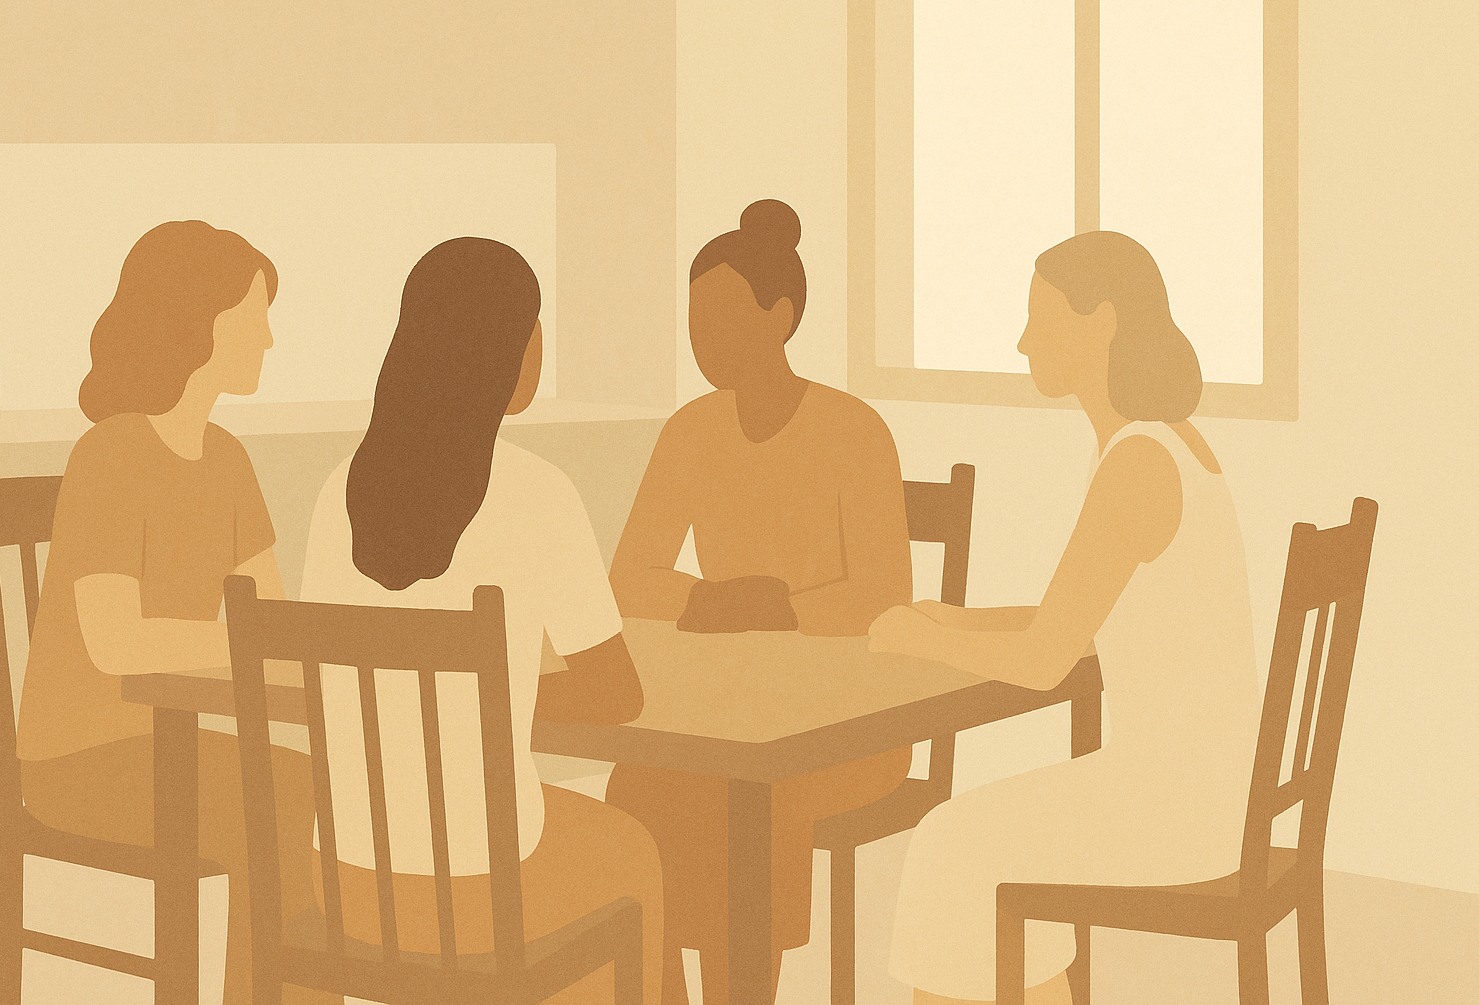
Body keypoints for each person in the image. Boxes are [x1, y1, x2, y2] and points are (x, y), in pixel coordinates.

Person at [875, 231, 1260, 1005]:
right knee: (980, 839)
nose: (1021, 341)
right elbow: (1084, 618)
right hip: (1200, 792)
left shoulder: (1138, 464)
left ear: (1102, 322)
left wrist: (920, 639)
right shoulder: (1161, 446)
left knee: (952, 840)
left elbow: (1047, 660)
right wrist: (961, 619)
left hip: (1177, 809)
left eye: (1038, 318)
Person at [298, 236, 665, 1004]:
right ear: (510, 349)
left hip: (345, 882)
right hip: (475, 894)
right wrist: (494, 703)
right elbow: (616, 694)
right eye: (534, 326)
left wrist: (460, 709)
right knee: (633, 855)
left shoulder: (337, 492)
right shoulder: (537, 493)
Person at [606, 200, 915, 1004]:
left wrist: (777, 607)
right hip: (721, 710)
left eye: (721, 315)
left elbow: (883, 598)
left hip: (844, 724)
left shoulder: (854, 430)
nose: (702, 336)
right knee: (639, 785)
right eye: (693, 318)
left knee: (750, 799)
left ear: (778, 317)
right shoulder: (691, 431)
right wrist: (703, 599)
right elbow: (628, 578)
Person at [17, 220, 334, 1004]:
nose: (268, 336)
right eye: (255, 313)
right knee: (275, 802)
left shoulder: (228, 457)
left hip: (171, 741)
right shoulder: (112, 454)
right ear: (202, 320)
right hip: (79, 761)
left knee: (311, 786)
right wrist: (249, 640)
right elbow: (116, 641)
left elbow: (272, 617)